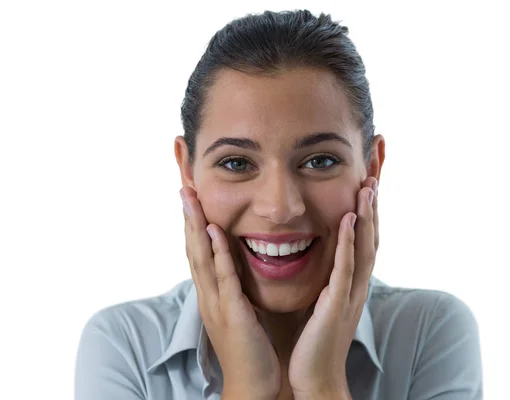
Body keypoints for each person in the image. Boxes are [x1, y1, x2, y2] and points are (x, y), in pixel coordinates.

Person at [75, 9, 483, 400]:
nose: (280, 208)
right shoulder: (125, 345)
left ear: (372, 167)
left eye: (320, 161)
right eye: (236, 163)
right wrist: (248, 388)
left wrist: (321, 386)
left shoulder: (431, 332)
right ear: (187, 169)